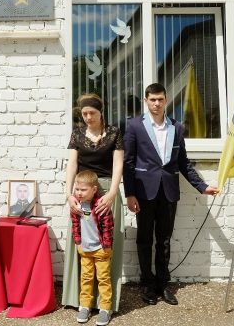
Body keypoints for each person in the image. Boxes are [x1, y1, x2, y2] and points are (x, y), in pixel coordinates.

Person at [123, 83, 218, 306]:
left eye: (160, 99)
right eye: (152, 99)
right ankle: (148, 284)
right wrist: (130, 194)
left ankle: (163, 284)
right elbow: (128, 163)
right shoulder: (135, 126)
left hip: (168, 192)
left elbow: (183, 163)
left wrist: (202, 186)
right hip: (143, 192)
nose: (156, 103)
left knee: (164, 240)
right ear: (146, 101)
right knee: (145, 239)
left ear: (166, 100)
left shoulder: (177, 127)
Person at [62, 93, 125, 314]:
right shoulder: (77, 134)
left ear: (101, 112)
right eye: (85, 113)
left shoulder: (115, 133)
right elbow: (72, 164)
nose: (88, 117)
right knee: (83, 244)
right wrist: (69, 193)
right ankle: (80, 300)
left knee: (107, 245)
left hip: (107, 191)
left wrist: (113, 194)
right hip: (82, 190)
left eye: (92, 113)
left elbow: (118, 165)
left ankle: (106, 303)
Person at [71, 170, 115, 326]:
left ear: (94, 189)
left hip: (101, 250)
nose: (79, 193)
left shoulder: (101, 206)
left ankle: (105, 308)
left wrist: (107, 246)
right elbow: (75, 225)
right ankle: (85, 306)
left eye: (83, 190)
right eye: (77, 189)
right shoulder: (76, 205)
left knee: (103, 279)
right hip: (85, 250)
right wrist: (77, 242)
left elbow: (108, 227)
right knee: (86, 278)